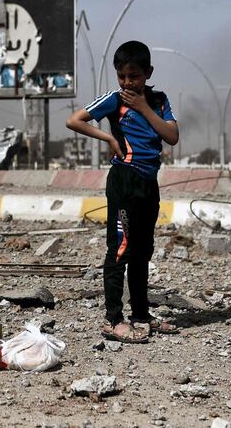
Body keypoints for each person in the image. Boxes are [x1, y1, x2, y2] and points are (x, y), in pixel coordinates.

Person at [66, 40, 180, 343]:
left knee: (143, 250)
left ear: (147, 73)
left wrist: (143, 107)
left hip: (148, 182)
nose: (128, 82)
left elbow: (172, 136)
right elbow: (74, 120)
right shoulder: (114, 100)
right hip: (124, 181)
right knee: (120, 249)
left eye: (134, 76)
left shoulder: (158, 100)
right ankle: (112, 319)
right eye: (122, 76)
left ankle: (141, 314)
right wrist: (108, 138)